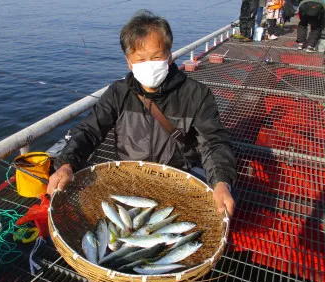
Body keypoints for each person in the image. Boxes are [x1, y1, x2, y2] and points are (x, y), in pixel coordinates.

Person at [47, 10, 237, 216]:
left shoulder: (196, 94)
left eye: (156, 57)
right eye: (141, 59)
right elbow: (89, 131)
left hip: (180, 175)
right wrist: (67, 163)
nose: (150, 65)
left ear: (169, 56)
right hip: (130, 177)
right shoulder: (118, 93)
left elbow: (213, 142)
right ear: (129, 62)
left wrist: (221, 181)